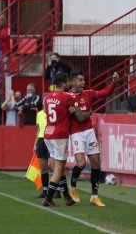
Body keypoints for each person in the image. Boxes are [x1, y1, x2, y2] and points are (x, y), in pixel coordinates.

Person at [68, 70, 119, 207]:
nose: (83, 82)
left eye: (83, 80)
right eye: (80, 80)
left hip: (89, 131)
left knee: (96, 163)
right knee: (81, 163)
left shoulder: (88, 94)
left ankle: (94, 196)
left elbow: (105, 93)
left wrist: (113, 83)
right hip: (76, 133)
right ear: (72, 82)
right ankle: (72, 187)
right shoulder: (67, 97)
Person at [42, 72, 91, 207]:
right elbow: (78, 116)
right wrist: (89, 112)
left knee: (58, 167)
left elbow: (47, 112)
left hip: (48, 133)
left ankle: (67, 197)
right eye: (68, 81)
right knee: (59, 168)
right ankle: (48, 197)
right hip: (59, 134)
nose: (70, 83)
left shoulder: (47, 97)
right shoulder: (68, 97)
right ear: (64, 82)